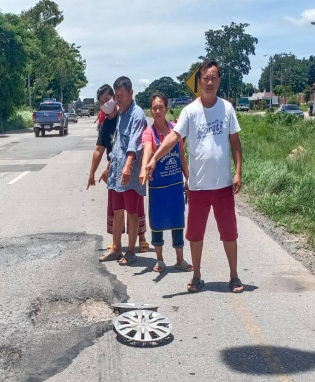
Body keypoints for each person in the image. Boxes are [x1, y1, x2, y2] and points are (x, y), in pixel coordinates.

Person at [145, 61, 244, 293]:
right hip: (198, 187)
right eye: (205, 78)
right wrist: (154, 158)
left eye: (214, 77)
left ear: (219, 81)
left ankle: (234, 276)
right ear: (199, 81)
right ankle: (197, 276)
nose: (209, 82)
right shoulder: (190, 111)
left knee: (229, 233)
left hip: (223, 186)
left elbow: (235, 143)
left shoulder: (227, 108)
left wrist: (238, 172)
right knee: (195, 234)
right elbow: (173, 138)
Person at [87, 84, 148, 253]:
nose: (106, 103)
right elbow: (108, 148)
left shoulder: (131, 115)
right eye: (101, 102)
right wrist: (96, 171)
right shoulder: (109, 122)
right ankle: (117, 247)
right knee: (117, 209)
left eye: (108, 99)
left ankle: (136, 244)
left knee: (134, 209)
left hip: (129, 170)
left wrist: (125, 166)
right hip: (116, 171)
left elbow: (132, 144)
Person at [139, 92, 192, 273]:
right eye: (154, 108)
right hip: (158, 188)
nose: (157, 111)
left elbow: (182, 156)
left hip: (175, 186)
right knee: (157, 223)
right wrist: (144, 168)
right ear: (151, 111)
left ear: (167, 109)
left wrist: (189, 178)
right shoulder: (148, 133)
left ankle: (180, 260)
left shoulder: (176, 130)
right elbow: (147, 151)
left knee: (178, 222)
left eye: (161, 107)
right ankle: (160, 260)